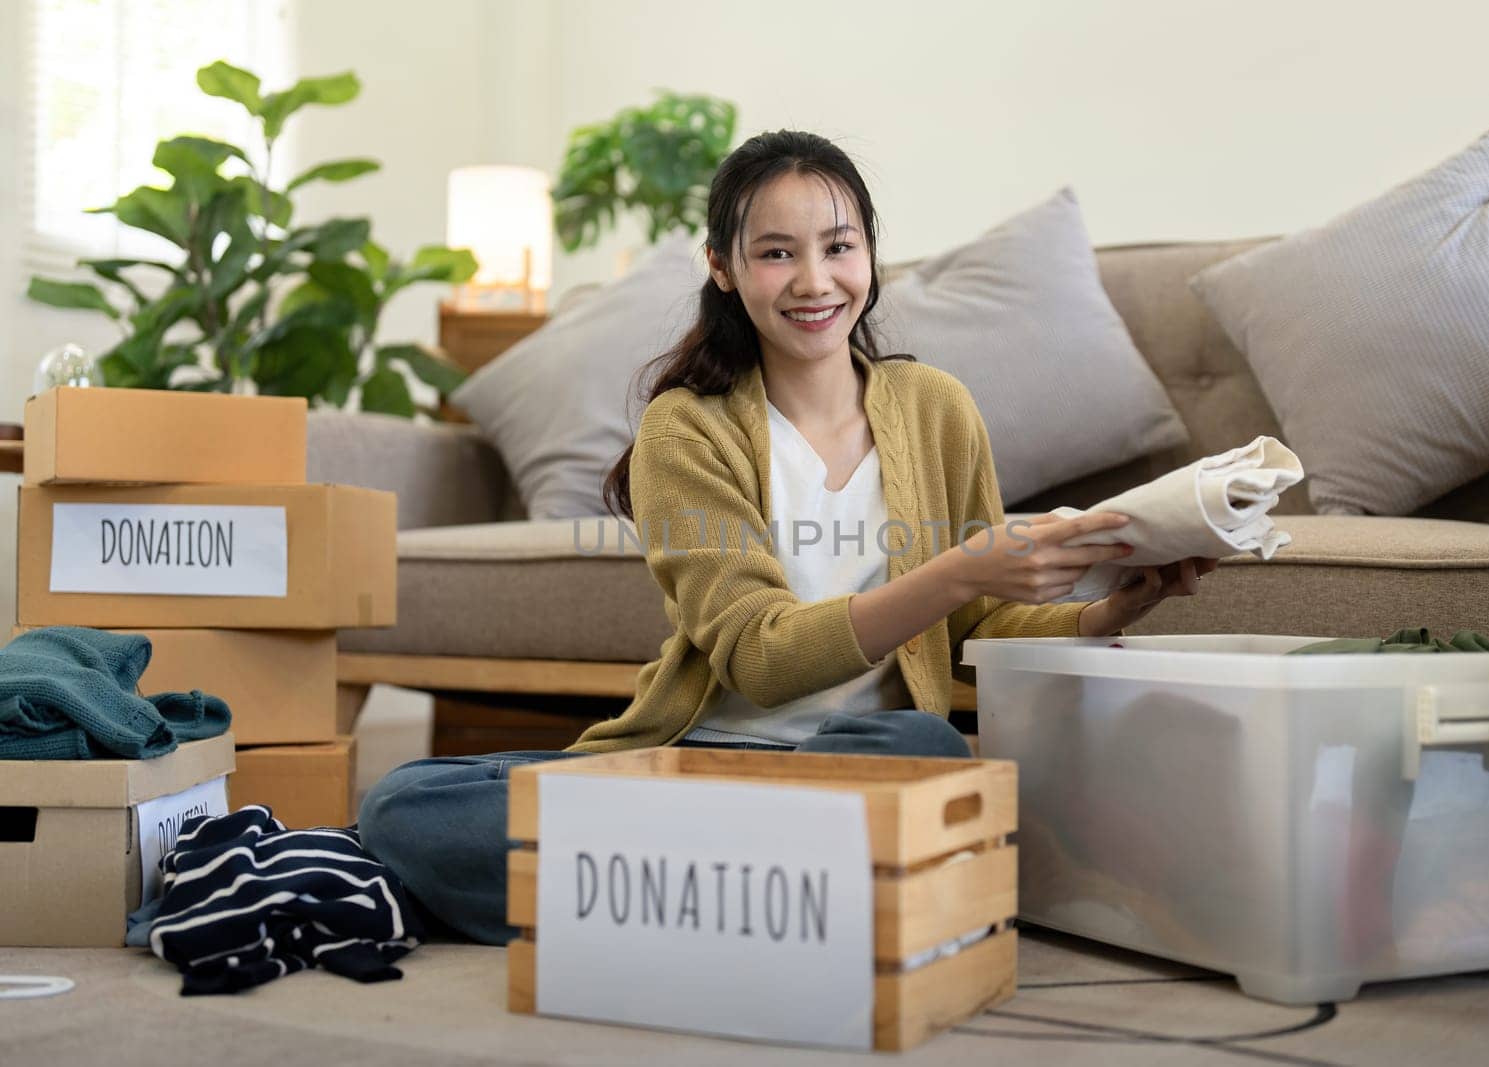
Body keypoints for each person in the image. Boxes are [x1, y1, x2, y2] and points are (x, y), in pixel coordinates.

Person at [359, 130, 1216, 943]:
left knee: (924, 745)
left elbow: (976, 628)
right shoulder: (686, 429)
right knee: (404, 805)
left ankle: (662, 891)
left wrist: (1103, 613)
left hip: (858, 760)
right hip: (701, 762)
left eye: (839, 247)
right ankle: (777, 886)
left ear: (872, 258)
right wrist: (960, 570)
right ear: (724, 268)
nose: (815, 280)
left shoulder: (936, 410)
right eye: (777, 253)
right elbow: (757, 659)